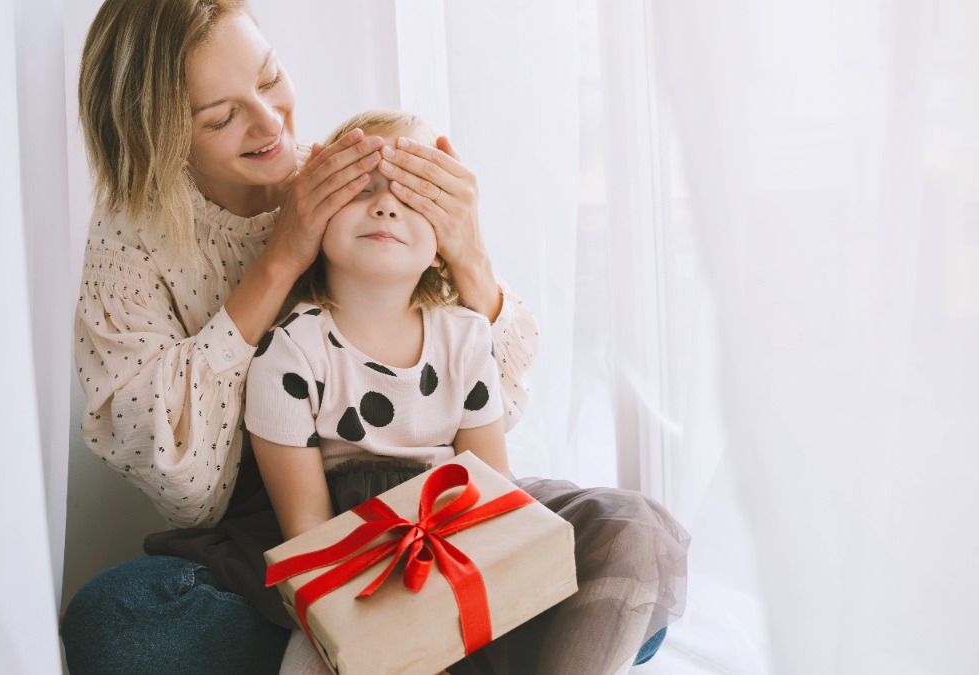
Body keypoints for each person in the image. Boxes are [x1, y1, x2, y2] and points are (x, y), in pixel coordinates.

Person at [61, 2, 541, 674]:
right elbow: (192, 492)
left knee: (632, 540)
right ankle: (406, 642)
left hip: (434, 508)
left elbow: (495, 417)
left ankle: (446, 636)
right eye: (222, 117)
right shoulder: (130, 245)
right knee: (116, 623)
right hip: (276, 535)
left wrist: (468, 255)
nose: (268, 124)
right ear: (158, 139)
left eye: (270, 78)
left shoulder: (354, 185)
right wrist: (281, 260)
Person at [243, 109, 688, 675]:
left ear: (440, 245)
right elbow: (310, 539)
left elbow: (494, 498)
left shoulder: (466, 337)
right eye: (362, 190)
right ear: (315, 218)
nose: (386, 206)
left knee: (632, 539)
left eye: (412, 198)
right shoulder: (291, 352)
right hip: (356, 571)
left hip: (463, 542)